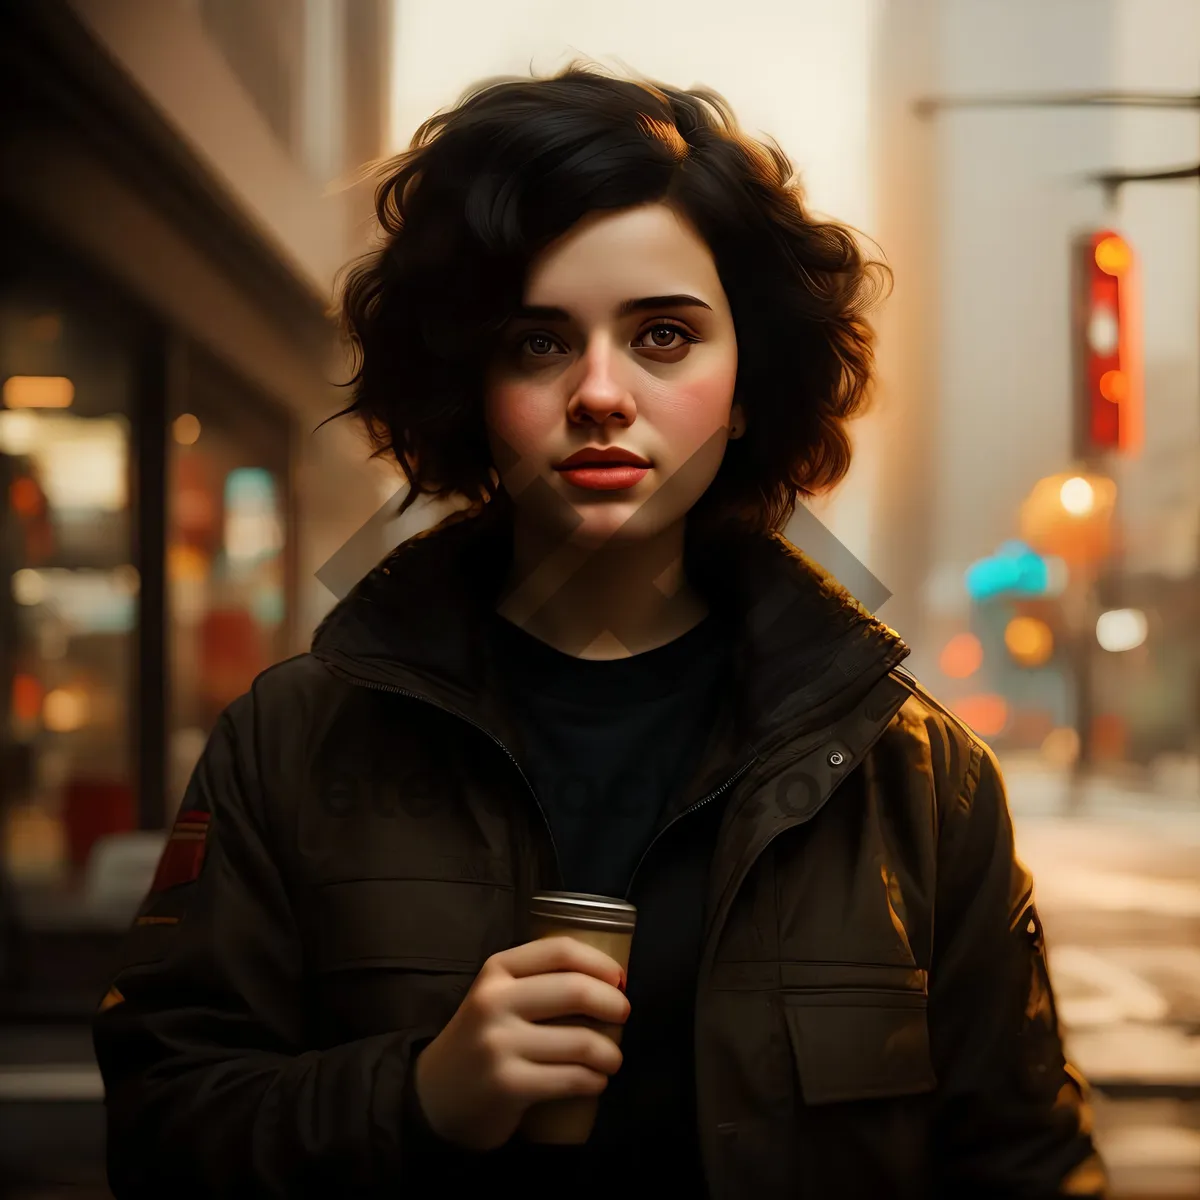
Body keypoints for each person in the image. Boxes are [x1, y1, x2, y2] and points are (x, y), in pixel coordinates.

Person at [93, 64, 1107, 1199]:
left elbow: (1024, 1163)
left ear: (748, 384)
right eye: (538, 341)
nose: (601, 392)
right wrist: (420, 1096)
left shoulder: (916, 779)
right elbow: (162, 1126)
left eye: (664, 336)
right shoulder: (290, 741)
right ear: (469, 384)